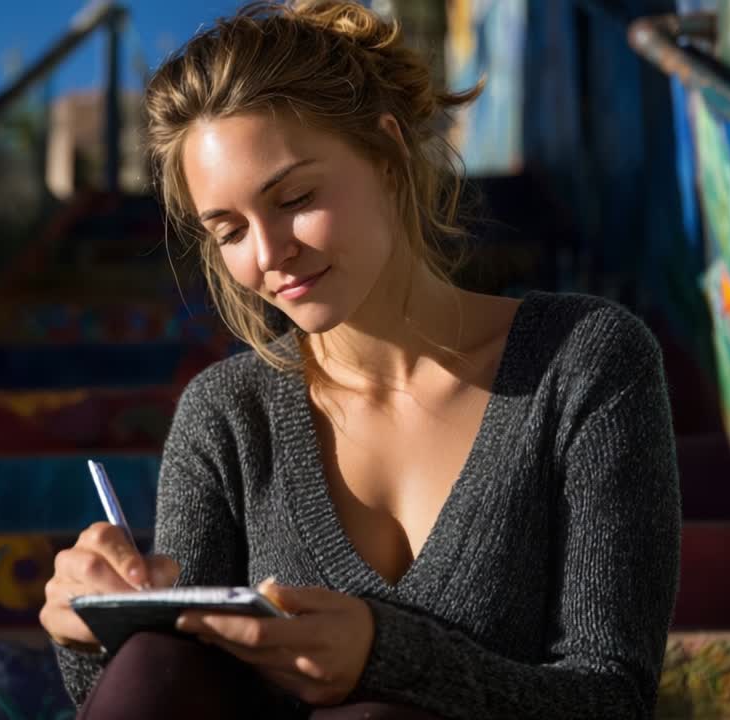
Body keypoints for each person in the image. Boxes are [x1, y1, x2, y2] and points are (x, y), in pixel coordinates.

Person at [39, 1, 681, 718]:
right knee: (158, 655)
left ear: (388, 151)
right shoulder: (226, 416)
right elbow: (165, 690)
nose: (267, 253)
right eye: (228, 230)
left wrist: (384, 655)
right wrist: (93, 632)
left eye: (295, 198)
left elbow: (614, 701)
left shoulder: (585, 364)